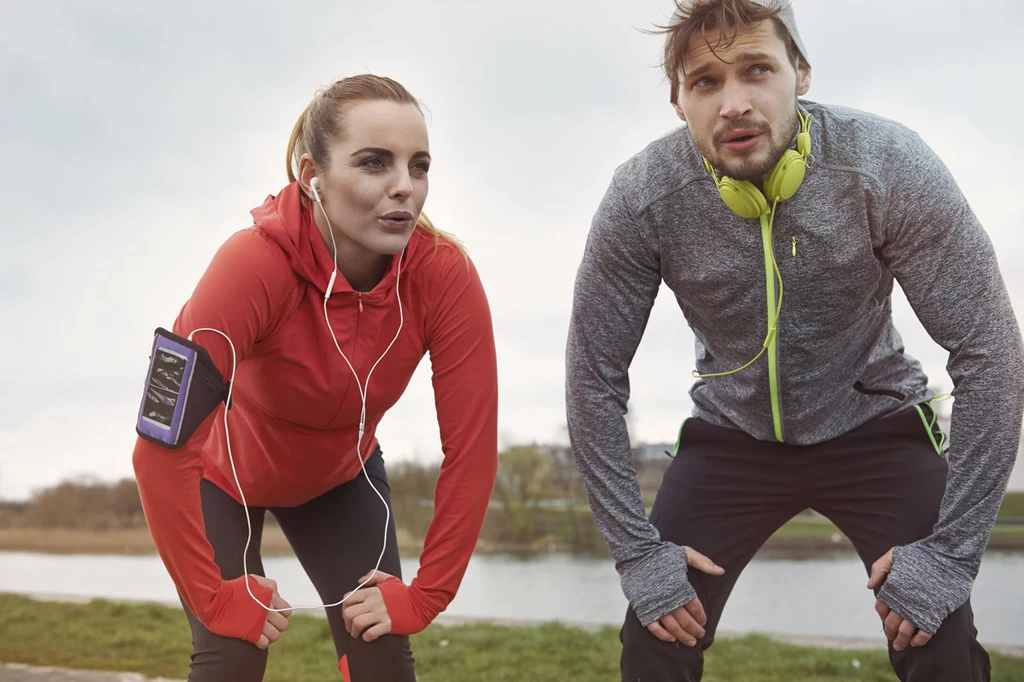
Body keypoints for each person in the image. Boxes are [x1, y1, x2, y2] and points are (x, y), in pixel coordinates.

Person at [564, 1, 1023, 680]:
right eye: (706, 83)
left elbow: (991, 351)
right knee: (657, 629)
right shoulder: (643, 197)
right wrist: (637, 555)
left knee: (937, 633)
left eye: (757, 71)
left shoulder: (887, 165)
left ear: (800, 73)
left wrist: (951, 554)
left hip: (877, 424)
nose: (734, 104)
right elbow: (591, 377)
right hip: (731, 436)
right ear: (678, 101)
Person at [132, 74, 498, 682]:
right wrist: (212, 597)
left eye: (419, 165)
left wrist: (427, 594)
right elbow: (158, 447)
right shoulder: (250, 266)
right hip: (223, 479)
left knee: (381, 658)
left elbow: (472, 451)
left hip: (341, 478)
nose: (404, 187)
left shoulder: (444, 277)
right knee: (230, 658)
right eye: (374, 163)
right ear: (311, 175)